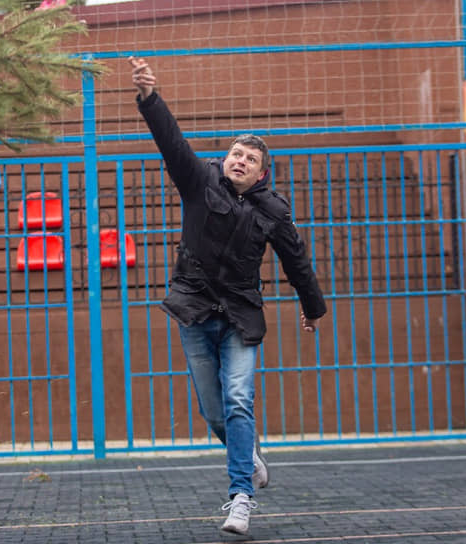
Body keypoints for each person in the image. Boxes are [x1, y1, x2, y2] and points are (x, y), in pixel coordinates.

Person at [130, 57, 327, 535]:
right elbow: (171, 141)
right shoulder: (199, 181)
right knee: (214, 410)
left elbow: (297, 260)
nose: (240, 160)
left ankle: (241, 496)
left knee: (239, 400)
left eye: (250, 159)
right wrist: (149, 98)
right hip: (195, 311)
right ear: (226, 159)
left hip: (240, 317)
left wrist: (312, 307)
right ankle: (250, 458)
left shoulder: (273, 210)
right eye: (236, 153)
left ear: (261, 174)